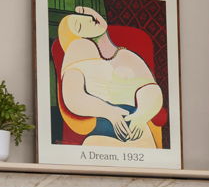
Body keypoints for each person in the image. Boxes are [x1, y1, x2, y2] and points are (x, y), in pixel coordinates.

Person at [56, 7, 165, 145]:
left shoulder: (127, 56)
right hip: (102, 131)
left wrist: (141, 116)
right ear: (77, 38)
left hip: (138, 130)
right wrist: (109, 112)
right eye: (80, 25)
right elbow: (74, 97)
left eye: (87, 17)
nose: (90, 20)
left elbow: (151, 89)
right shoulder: (77, 55)